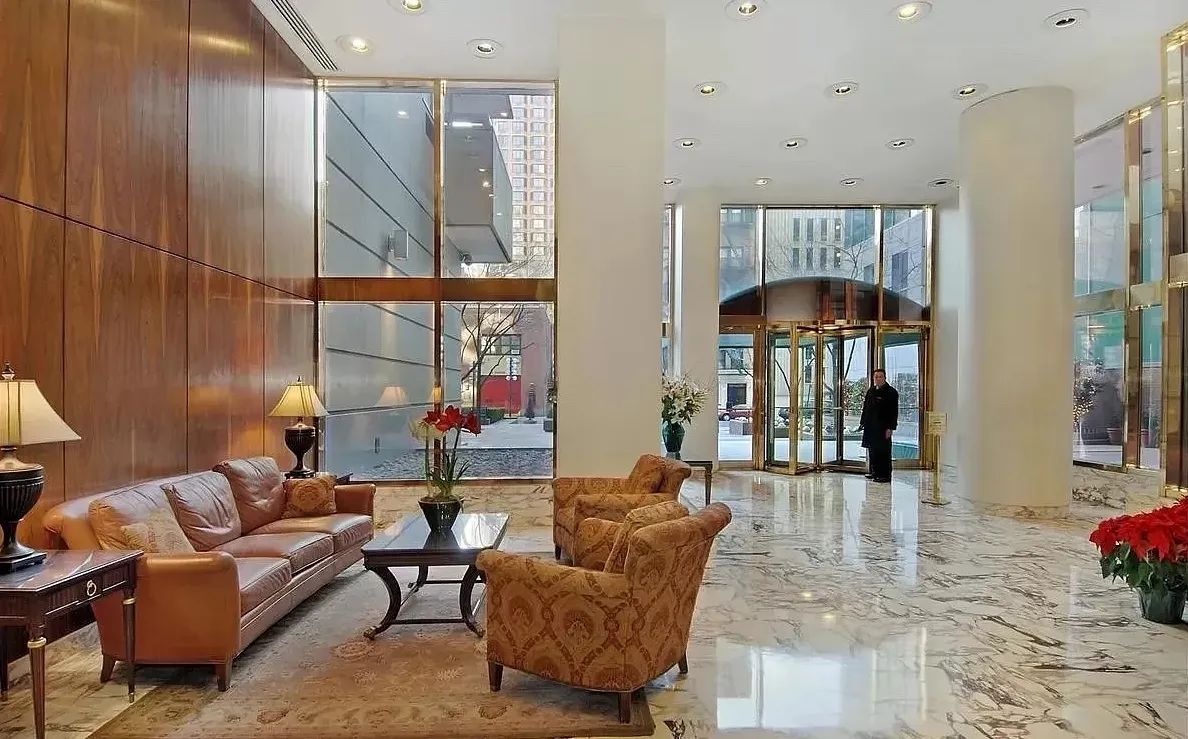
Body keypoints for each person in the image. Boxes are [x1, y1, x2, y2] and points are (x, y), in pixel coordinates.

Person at [859, 369, 898, 483]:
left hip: (883, 428)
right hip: (871, 426)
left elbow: (893, 412)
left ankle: (885, 475)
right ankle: (874, 472)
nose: (878, 379)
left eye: (880, 377)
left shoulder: (891, 392)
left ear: (885, 378)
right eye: (876, 377)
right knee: (872, 450)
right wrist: (863, 423)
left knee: (883, 451)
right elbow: (866, 408)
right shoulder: (871, 391)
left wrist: (890, 427)